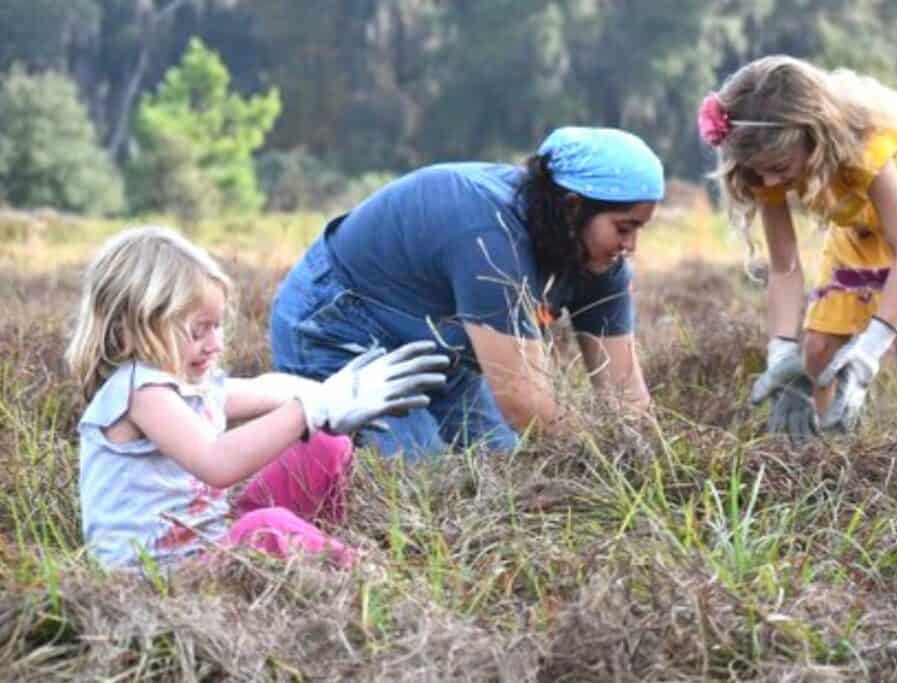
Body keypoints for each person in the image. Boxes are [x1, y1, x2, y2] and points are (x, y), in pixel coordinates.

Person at [66, 226, 449, 569]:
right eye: (198, 331)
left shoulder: (189, 386)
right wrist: (311, 409)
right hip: (160, 576)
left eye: (217, 327)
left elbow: (266, 388)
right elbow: (216, 464)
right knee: (266, 528)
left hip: (212, 543)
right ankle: (360, 575)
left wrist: (332, 395)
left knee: (326, 443)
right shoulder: (140, 391)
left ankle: (307, 553)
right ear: (133, 329)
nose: (214, 344)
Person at [270, 126, 665, 458]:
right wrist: (599, 459)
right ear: (573, 208)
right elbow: (525, 405)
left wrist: (645, 463)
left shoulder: (601, 261)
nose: (630, 246)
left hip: (438, 349)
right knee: (423, 481)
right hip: (340, 328)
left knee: (503, 463)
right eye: (623, 227)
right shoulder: (488, 236)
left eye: (638, 230)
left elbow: (625, 394)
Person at [698, 55, 897, 438]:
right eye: (759, 169)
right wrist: (781, 352)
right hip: (860, 220)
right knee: (817, 347)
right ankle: (826, 455)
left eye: (780, 168)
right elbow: (784, 267)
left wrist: (868, 353)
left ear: (816, 137)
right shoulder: (763, 163)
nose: (769, 179)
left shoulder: (866, 149)